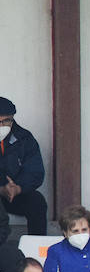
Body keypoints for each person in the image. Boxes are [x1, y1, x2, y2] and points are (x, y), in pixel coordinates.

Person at [0, 97, 48, 235]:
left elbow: (35, 172)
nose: (2, 126)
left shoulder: (24, 138)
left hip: (13, 194)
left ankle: (36, 250)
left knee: (36, 201)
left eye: (7, 121)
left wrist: (18, 188)